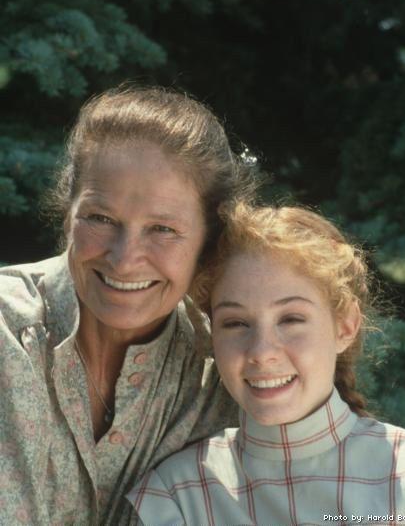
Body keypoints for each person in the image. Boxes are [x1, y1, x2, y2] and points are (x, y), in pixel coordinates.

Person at [0, 84, 255, 525]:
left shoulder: (222, 371)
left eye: (162, 229)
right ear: (69, 214)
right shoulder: (8, 333)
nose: (124, 258)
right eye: (100, 219)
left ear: (208, 241)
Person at [129, 202, 405, 526]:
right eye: (235, 323)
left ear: (345, 327)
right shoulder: (175, 495)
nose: (262, 352)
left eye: (291, 319)